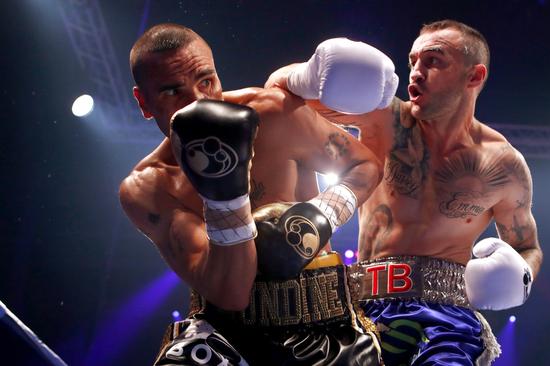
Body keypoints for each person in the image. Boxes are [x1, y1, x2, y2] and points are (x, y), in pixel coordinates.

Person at [267, 19, 544, 365]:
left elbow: (527, 246)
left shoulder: (504, 165)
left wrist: (521, 275)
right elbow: (278, 96)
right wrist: (309, 73)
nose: (415, 71)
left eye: (433, 61)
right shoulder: (383, 118)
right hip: (361, 310)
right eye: (413, 60)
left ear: (474, 77)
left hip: (447, 320)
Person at [119, 23, 398, 365]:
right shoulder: (149, 187)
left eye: (206, 81)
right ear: (144, 102)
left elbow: (364, 165)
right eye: (171, 92)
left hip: (325, 326)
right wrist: (225, 195)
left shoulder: (272, 112)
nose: (198, 101)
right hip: (227, 337)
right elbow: (231, 293)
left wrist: (325, 212)